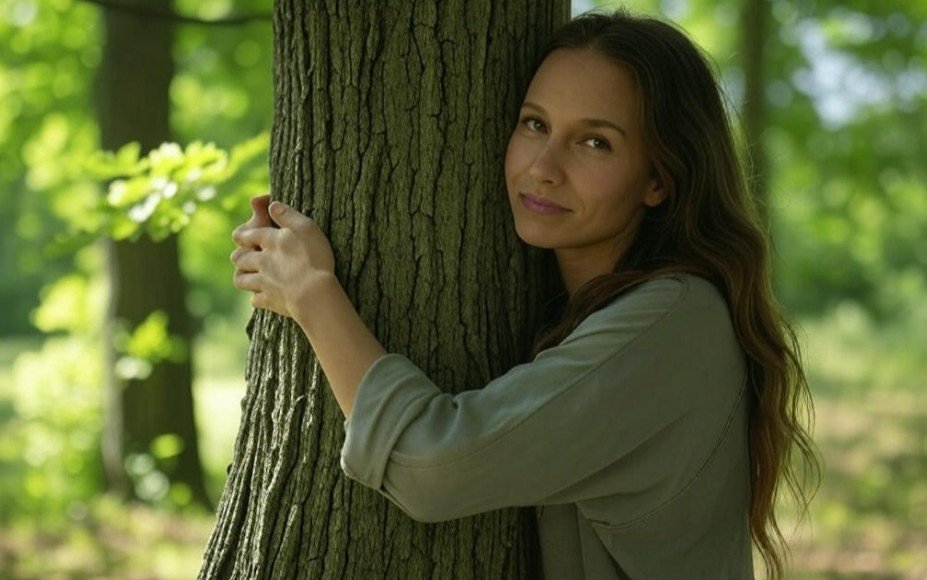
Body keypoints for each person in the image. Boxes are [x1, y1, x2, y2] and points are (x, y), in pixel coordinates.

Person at [230, 9, 820, 579]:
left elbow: (431, 466)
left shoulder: (674, 322)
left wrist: (312, 292)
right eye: (535, 124)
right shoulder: (606, 305)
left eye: (595, 143)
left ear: (659, 179)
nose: (543, 167)